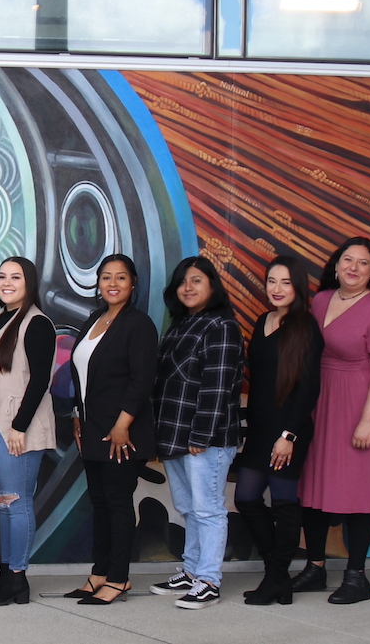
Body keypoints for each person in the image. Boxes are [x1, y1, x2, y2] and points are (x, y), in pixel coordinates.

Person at [292, 238, 370, 605]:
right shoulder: (320, 300)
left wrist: (367, 421)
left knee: (357, 494)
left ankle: (357, 576)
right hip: (318, 402)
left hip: (357, 403)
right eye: (347, 260)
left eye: (363, 263)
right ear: (335, 266)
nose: (353, 267)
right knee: (313, 488)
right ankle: (315, 567)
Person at [62, 254, 157, 606]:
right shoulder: (93, 320)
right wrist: (77, 413)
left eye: (120, 277)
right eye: (105, 277)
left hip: (122, 434)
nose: (112, 283)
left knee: (118, 503)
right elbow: (81, 375)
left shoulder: (139, 324)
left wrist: (122, 425)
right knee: (99, 504)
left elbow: (142, 380)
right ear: (98, 283)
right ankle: (99, 573)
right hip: (91, 428)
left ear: (133, 284)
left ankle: (118, 578)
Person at [149, 257, 244, 610]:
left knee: (208, 509)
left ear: (212, 286)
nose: (188, 287)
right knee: (188, 507)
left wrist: (200, 436)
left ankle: (208, 580)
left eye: (197, 281)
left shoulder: (221, 326)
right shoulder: (180, 325)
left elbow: (216, 388)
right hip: (175, 436)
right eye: (182, 282)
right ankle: (191, 571)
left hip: (205, 439)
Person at [0, 257, 57, 606]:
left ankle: (17, 577)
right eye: (2, 276)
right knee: (4, 503)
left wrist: (19, 426)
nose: (7, 282)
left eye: (15, 277)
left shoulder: (37, 323)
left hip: (15, 427)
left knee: (16, 503)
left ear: (29, 282)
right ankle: (7, 573)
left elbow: (40, 381)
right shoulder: (0, 319)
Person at [234, 256, 323, 606]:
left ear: (298, 286)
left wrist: (288, 435)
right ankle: (279, 576)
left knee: (284, 503)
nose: (277, 289)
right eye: (272, 281)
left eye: (285, 282)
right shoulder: (262, 321)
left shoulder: (306, 327)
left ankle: (274, 578)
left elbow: (308, 388)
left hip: (289, 430)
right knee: (246, 498)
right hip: (259, 428)